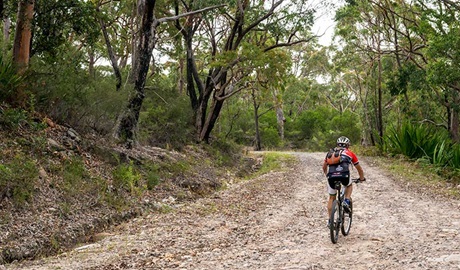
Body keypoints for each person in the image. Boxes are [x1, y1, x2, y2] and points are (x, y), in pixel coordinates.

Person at [322, 136, 365, 226]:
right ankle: (346, 200)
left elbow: (324, 167)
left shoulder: (330, 153)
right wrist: (361, 178)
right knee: (349, 185)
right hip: (344, 176)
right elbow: (359, 169)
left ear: (337, 145)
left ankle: (330, 221)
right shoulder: (350, 153)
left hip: (331, 177)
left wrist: (327, 175)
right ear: (348, 145)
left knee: (331, 198)